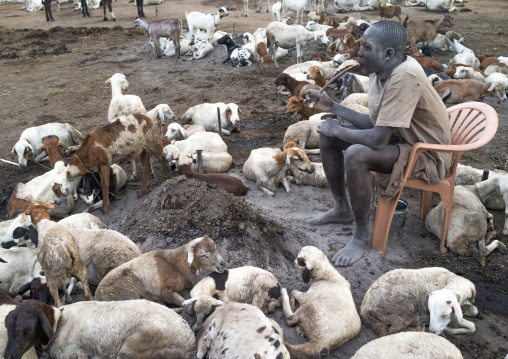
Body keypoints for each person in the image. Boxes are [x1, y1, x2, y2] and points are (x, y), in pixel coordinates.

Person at [304, 21, 452, 267]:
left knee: (356, 154)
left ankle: (361, 237)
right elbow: (375, 123)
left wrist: (339, 127)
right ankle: (342, 209)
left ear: (388, 54)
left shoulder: (404, 76)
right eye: (361, 45)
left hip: (427, 154)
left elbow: (376, 138)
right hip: (402, 141)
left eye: (367, 48)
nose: (359, 52)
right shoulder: (379, 70)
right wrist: (334, 107)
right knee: (327, 134)